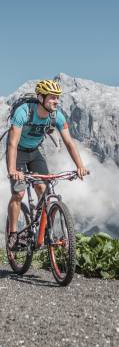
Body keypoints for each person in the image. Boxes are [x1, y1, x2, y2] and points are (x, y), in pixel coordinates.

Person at [6, 79, 88, 250]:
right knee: (18, 194)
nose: (56, 101)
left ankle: (44, 231)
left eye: (58, 98)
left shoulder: (56, 116)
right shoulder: (23, 112)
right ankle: (13, 233)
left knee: (44, 189)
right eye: (52, 97)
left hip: (35, 152)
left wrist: (80, 166)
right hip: (18, 152)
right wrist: (13, 170)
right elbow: (12, 143)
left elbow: (69, 143)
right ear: (40, 98)